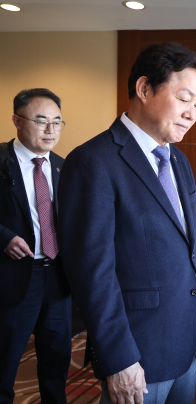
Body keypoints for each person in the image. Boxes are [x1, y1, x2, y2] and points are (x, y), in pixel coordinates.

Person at [57, 43, 196, 404]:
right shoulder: (92, 162)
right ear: (145, 89)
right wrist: (119, 359)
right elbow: (92, 273)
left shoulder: (178, 161)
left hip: (187, 339)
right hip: (137, 351)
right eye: (184, 99)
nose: (192, 114)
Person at [0, 88, 71, 404]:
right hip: (13, 279)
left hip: (57, 280)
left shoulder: (63, 166)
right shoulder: (0, 160)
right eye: (42, 121)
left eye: (57, 122)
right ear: (17, 120)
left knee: (56, 365)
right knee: (5, 365)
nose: (50, 130)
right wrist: (3, 238)